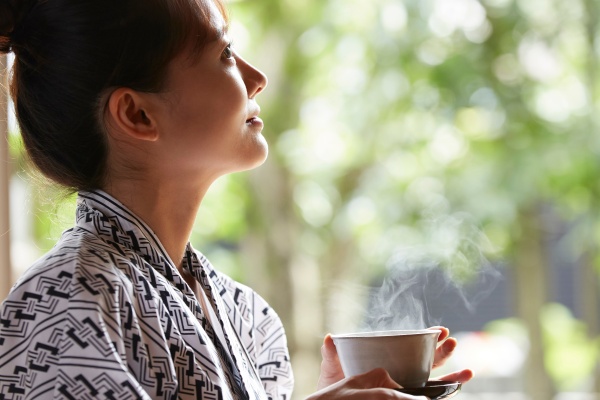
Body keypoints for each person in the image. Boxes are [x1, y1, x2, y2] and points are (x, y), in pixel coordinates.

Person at [0, 0, 472, 398]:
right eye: (225, 53)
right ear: (137, 113)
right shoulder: (60, 303)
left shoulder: (249, 318)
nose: (257, 77)